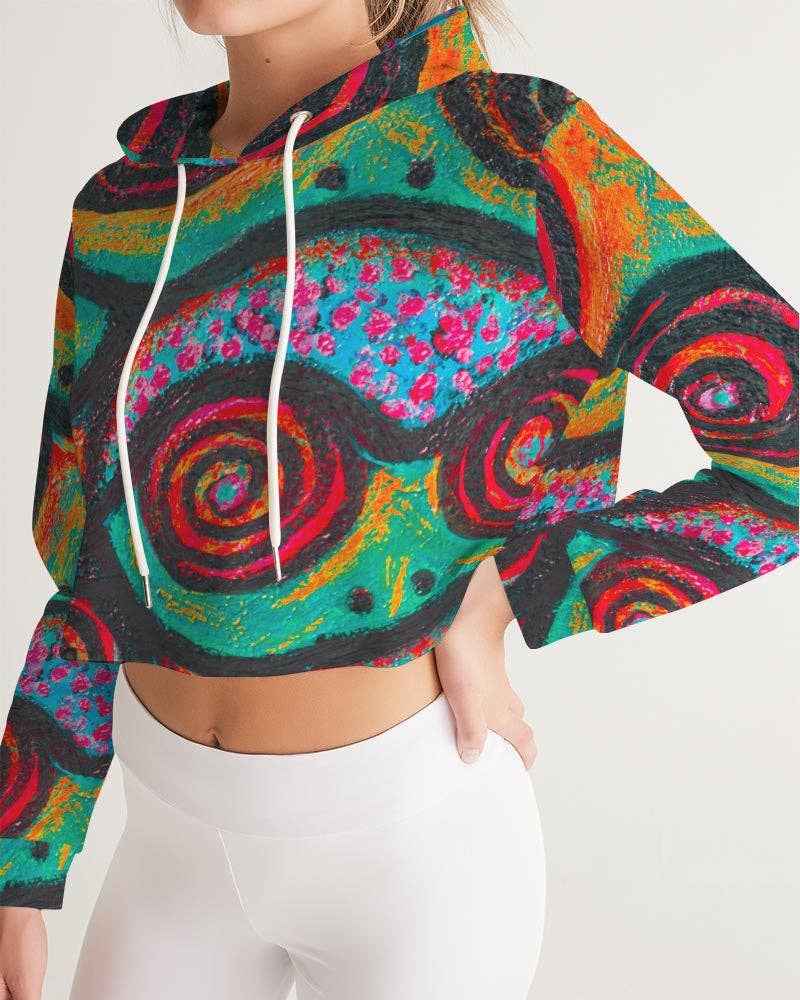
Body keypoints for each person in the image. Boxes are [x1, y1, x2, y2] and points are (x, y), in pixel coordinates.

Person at [1, 1, 797, 997]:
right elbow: (87, 569)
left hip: (409, 852)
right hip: (165, 845)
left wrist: (516, 591)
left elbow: (785, 444)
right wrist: (22, 854)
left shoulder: (515, 149)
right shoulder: (123, 205)